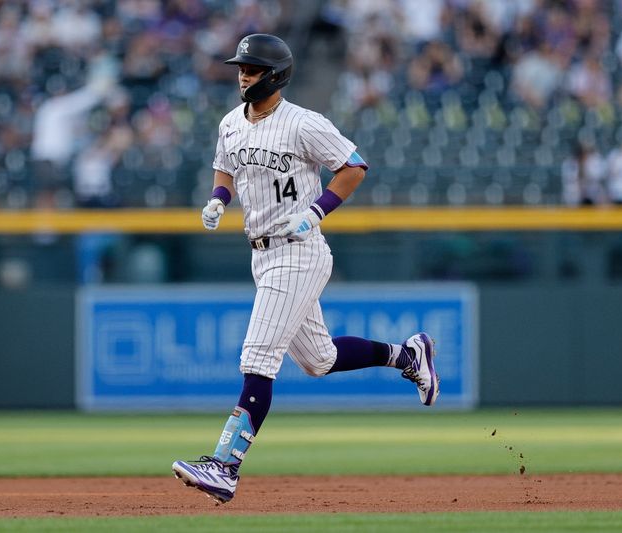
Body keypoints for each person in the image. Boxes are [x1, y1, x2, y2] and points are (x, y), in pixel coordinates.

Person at [171, 34, 439, 504]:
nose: (242, 75)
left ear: (273, 75)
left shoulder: (303, 123)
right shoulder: (231, 122)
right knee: (320, 360)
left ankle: (224, 466)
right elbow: (224, 169)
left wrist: (317, 210)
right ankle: (408, 355)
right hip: (261, 254)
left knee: (257, 357)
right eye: (240, 67)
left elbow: (353, 166)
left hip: (298, 251)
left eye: (251, 69)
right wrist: (217, 200)